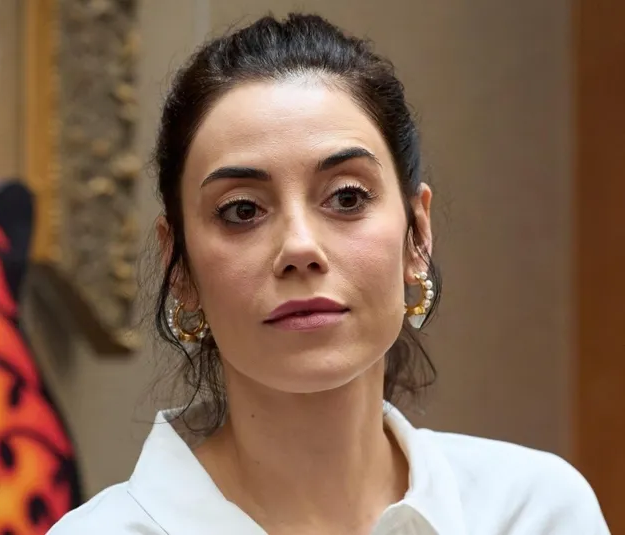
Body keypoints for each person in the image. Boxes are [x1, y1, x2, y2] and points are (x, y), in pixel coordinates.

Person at [48, 13, 609, 535]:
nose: (299, 247)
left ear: (418, 234)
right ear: (182, 268)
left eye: (346, 197)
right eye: (241, 210)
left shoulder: (535, 512)